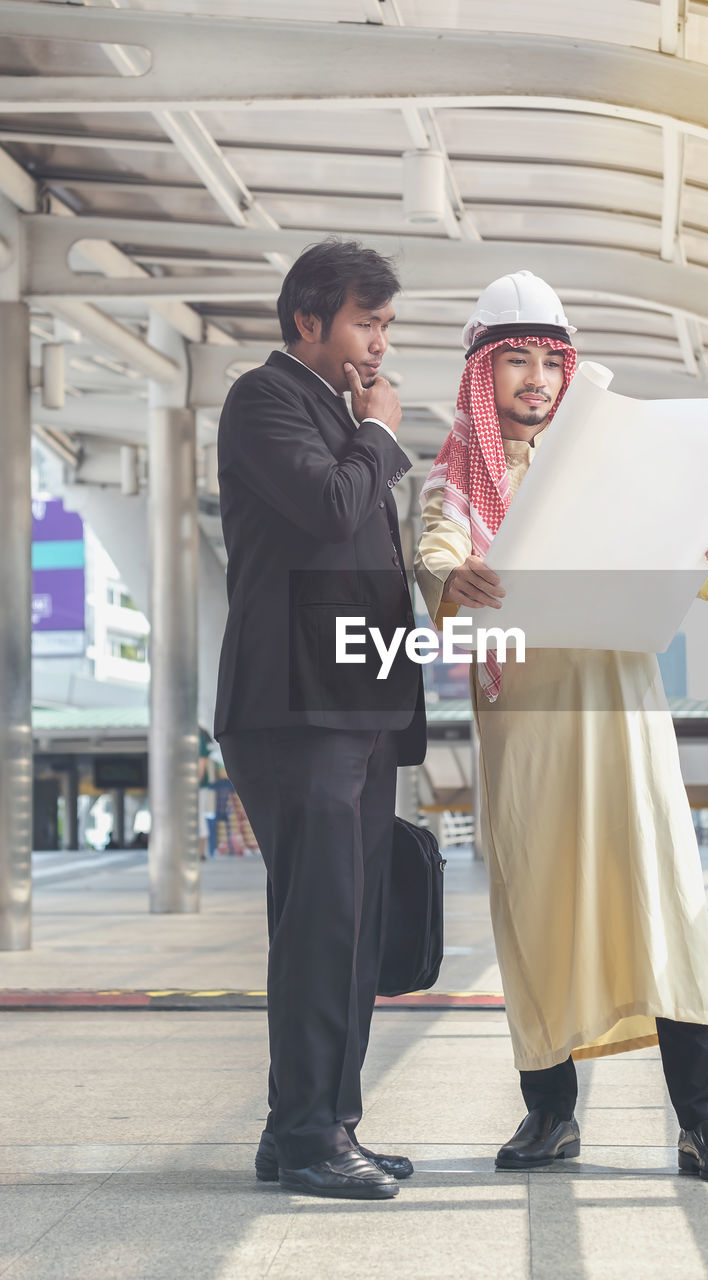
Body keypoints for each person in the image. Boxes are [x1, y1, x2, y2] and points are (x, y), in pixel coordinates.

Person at [414, 270, 708, 1185]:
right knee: (535, 906)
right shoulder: (452, 482)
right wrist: (453, 581)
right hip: (525, 726)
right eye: (514, 360)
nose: (534, 378)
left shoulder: (619, 464)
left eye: (547, 362)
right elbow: (436, 553)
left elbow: (677, 544)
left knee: (666, 899)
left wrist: (707, 546)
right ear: (481, 374)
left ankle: (703, 1123)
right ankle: (550, 1118)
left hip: (623, 715)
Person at [215, 239, 425, 1201]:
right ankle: (304, 1135)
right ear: (308, 320)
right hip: (294, 709)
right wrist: (377, 436)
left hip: (356, 702)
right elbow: (331, 508)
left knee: (354, 924)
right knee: (320, 922)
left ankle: (321, 1125)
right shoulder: (264, 400)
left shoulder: (331, 415)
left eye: (385, 328)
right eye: (363, 324)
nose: (378, 347)